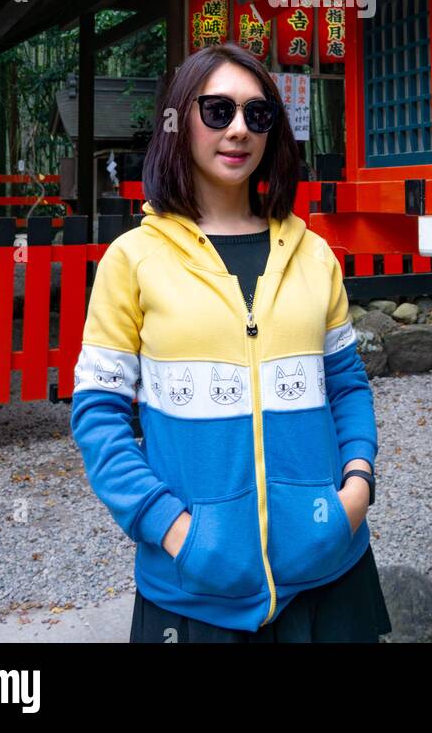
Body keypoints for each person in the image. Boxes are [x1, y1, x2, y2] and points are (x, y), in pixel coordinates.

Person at [71, 41, 391, 643]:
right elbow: (98, 414)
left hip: (330, 573)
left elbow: (346, 384)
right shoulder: (134, 259)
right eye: (217, 110)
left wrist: (356, 488)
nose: (239, 129)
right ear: (180, 121)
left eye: (257, 114)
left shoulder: (314, 255)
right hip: (194, 591)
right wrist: (173, 531)